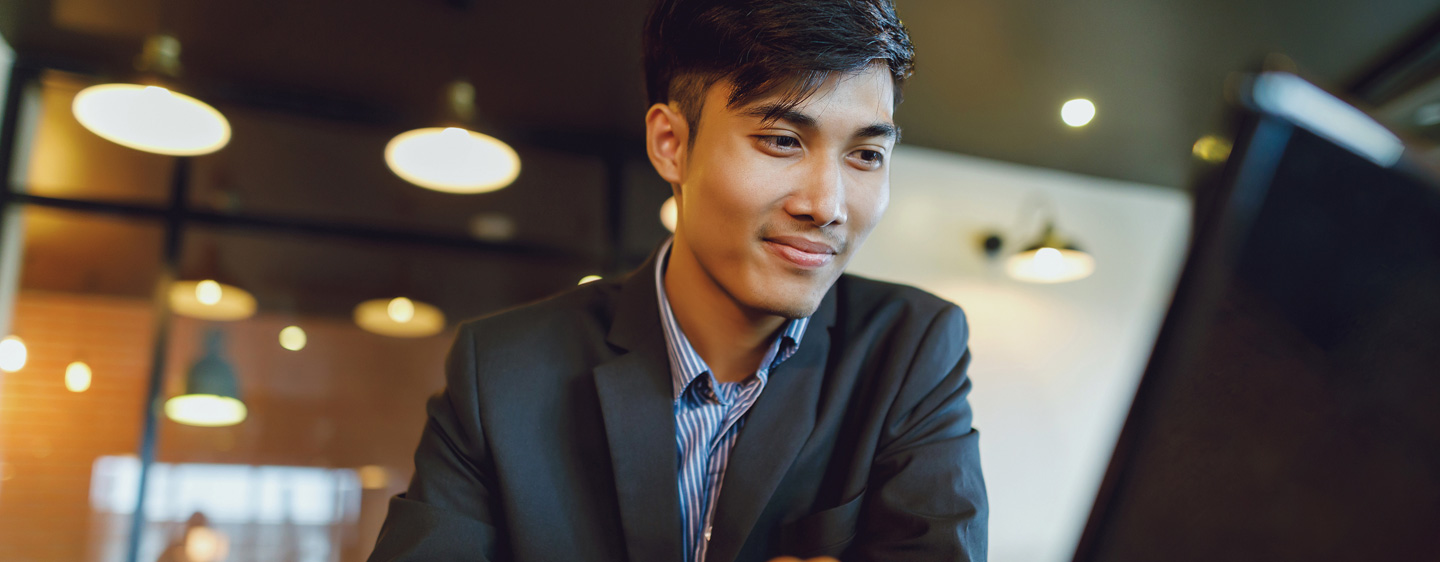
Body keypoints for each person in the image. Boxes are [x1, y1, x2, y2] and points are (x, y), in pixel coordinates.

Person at [368, 0, 987, 560]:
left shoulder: (911, 348)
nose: (827, 204)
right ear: (671, 143)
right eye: (780, 139)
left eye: (866, 155)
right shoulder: (503, 369)